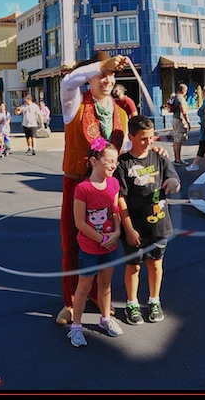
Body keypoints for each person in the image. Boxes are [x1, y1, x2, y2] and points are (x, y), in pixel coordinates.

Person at [56, 50, 169, 326]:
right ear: (90, 77)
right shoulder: (74, 102)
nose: (106, 79)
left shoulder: (120, 113)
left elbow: (127, 148)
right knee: (72, 243)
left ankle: (96, 294)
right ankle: (70, 302)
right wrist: (100, 64)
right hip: (78, 184)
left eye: (110, 74)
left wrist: (148, 146)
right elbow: (67, 81)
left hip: (108, 189)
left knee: (103, 243)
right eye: (100, 74)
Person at [115, 115, 181, 325]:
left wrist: (172, 182)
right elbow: (120, 199)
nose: (148, 142)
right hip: (134, 228)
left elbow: (174, 180)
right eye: (143, 138)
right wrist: (129, 229)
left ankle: (154, 300)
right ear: (131, 136)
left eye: (151, 137)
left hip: (159, 224)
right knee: (133, 267)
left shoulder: (160, 157)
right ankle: (132, 303)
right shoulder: (123, 164)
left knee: (155, 264)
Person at [67, 139, 124, 347]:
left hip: (110, 245)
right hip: (91, 247)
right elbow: (80, 223)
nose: (113, 165)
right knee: (84, 287)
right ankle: (76, 326)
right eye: (108, 161)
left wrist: (117, 232)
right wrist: (102, 239)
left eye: (115, 161)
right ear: (94, 161)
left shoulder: (114, 183)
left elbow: (115, 210)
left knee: (106, 284)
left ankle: (105, 319)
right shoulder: (83, 189)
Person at [171, 83, 191, 166]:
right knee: (179, 140)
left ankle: (177, 158)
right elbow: (184, 111)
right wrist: (188, 122)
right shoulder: (180, 98)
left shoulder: (175, 97)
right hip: (179, 120)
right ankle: (178, 159)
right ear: (183, 91)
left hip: (174, 119)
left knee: (176, 139)